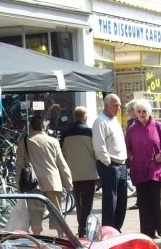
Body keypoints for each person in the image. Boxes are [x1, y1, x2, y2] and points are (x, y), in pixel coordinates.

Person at [16, 113, 73, 234]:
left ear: (30, 126)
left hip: (33, 183)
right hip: (52, 181)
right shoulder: (53, 141)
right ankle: (61, 237)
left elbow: (19, 166)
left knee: (35, 215)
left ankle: (37, 240)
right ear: (45, 127)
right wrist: (68, 184)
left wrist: (18, 186)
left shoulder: (24, 142)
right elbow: (62, 164)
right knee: (57, 213)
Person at [125, 99, 161, 238]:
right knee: (143, 201)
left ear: (149, 112)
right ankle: (147, 232)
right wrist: (130, 156)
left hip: (156, 169)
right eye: (138, 111)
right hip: (139, 170)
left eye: (144, 111)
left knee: (157, 199)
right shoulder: (131, 130)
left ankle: (159, 227)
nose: (141, 114)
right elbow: (127, 147)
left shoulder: (158, 126)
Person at [92, 93, 129, 230]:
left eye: (119, 105)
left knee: (121, 201)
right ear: (106, 106)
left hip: (121, 164)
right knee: (110, 201)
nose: (119, 108)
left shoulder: (114, 121)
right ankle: (108, 230)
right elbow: (99, 146)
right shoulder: (100, 122)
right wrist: (108, 163)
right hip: (111, 165)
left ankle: (117, 229)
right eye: (116, 105)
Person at [61, 106, 99, 235]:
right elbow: (96, 152)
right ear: (86, 117)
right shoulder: (90, 132)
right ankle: (84, 227)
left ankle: (81, 226)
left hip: (73, 173)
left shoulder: (65, 133)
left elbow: (63, 153)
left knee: (78, 202)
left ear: (74, 117)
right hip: (89, 172)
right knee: (87, 203)